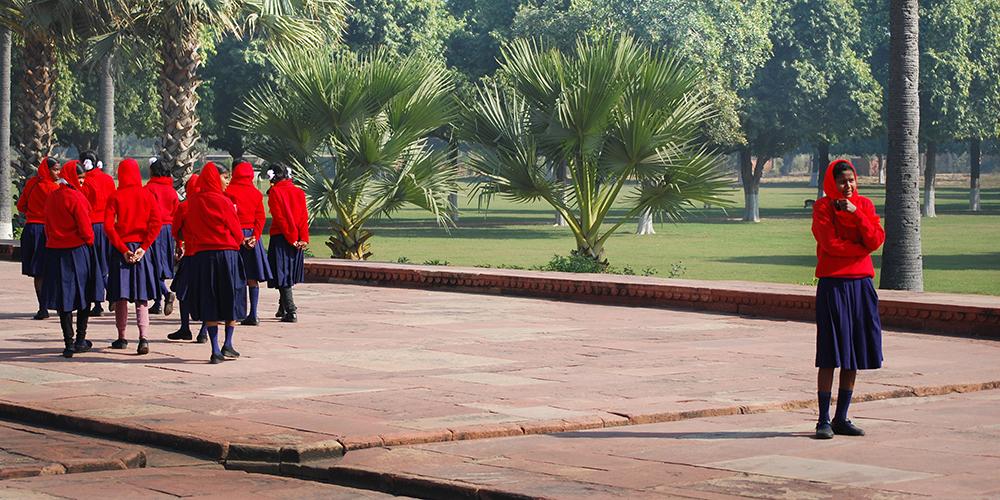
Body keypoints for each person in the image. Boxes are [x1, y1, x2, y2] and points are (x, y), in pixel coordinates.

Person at [811, 159, 886, 439]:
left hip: (861, 286)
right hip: (833, 286)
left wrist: (856, 214)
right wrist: (860, 251)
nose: (848, 185)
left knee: (853, 353)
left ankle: (842, 417)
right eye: (842, 181)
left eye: (852, 180)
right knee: (830, 353)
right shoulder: (823, 207)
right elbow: (829, 244)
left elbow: (876, 239)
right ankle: (823, 420)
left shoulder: (864, 206)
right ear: (833, 182)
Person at [185, 162, 247, 364]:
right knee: (231, 296)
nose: (227, 181)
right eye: (225, 177)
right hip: (227, 255)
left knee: (209, 299)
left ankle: (214, 349)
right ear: (215, 178)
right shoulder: (224, 202)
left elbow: (191, 228)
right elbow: (237, 231)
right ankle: (228, 343)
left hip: (203, 255)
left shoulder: (193, 201)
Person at [105, 159, 162, 355]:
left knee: (120, 296)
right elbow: (157, 223)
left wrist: (123, 249)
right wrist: (143, 248)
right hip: (141, 250)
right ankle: (143, 337)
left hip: (122, 249)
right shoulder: (147, 194)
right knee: (141, 297)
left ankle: (122, 337)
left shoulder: (115, 196)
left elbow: (108, 226)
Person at [42, 161, 97, 358]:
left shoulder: (52, 196)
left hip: (55, 251)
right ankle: (81, 339)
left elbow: (47, 225)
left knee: (63, 299)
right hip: (77, 250)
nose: (82, 182)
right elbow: (85, 228)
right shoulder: (77, 197)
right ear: (74, 177)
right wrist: (90, 242)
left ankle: (68, 342)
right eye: (80, 178)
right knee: (84, 294)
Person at [225, 160, 272, 326]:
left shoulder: (228, 192)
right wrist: (255, 236)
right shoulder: (257, 193)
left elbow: (229, 216)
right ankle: (253, 314)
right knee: (252, 277)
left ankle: (236, 312)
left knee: (233, 276)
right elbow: (261, 217)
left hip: (234, 236)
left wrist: (239, 236)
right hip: (252, 235)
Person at [17, 157, 61, 320]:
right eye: (55, 169)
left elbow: (21, 206)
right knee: (50, 268)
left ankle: (42, 307)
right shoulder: (53, 189)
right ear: (47, 169)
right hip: (46, 230)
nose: (58, 173)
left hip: (30, 229)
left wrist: (33, 211)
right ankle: (53, 304)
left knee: (37, 272)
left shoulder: (31, 184)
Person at [167, 173, 208, 343]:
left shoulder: (184, 206)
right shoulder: (209, 204)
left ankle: (185, 327)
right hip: (206, 255)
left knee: (183, 294)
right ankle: (204, 331)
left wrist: (179, 243)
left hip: (190, 255)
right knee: (207, 294)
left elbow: (175, 229)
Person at [265, 163, 308, 323]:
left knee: (282, 273)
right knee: (286, 273)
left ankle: (290, 310)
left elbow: (280, 218)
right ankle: (282, 307)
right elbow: (304, 215)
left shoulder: (275, 192)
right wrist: (302, 238)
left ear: (274, 177)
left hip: (282, 236)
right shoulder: (299, 191)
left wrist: (291, 238)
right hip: (296, 236)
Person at [79, 150, 116, 316]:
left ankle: (99, 304)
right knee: (105, 264)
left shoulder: (85, 182)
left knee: (95, 266)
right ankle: (112, 294)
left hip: (92, 225)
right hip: (108, 225)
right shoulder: (108, 179)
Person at [144, 158, 179, 316]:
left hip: (153, 228)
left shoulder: (148, 188)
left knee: (151, 266)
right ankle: (157, 302)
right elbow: (177, 214)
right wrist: (179, 242)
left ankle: (164, 294)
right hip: (168, 230)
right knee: (161, 265)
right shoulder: (172, 191)